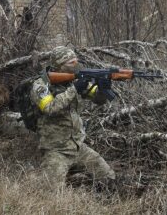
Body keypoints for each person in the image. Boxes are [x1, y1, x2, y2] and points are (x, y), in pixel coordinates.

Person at [30, 46, 115, 184]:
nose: (75, 65)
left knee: (108, 178)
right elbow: (49, 108)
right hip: (56, 149)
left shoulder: (74, 81)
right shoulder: (40, 85)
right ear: (58, 66)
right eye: (71, 63)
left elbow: (98, 100)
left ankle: (77, 179)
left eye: (76, 62)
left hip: (77, 146)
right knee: (51, 192)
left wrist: (104, 88)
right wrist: (74, 89)